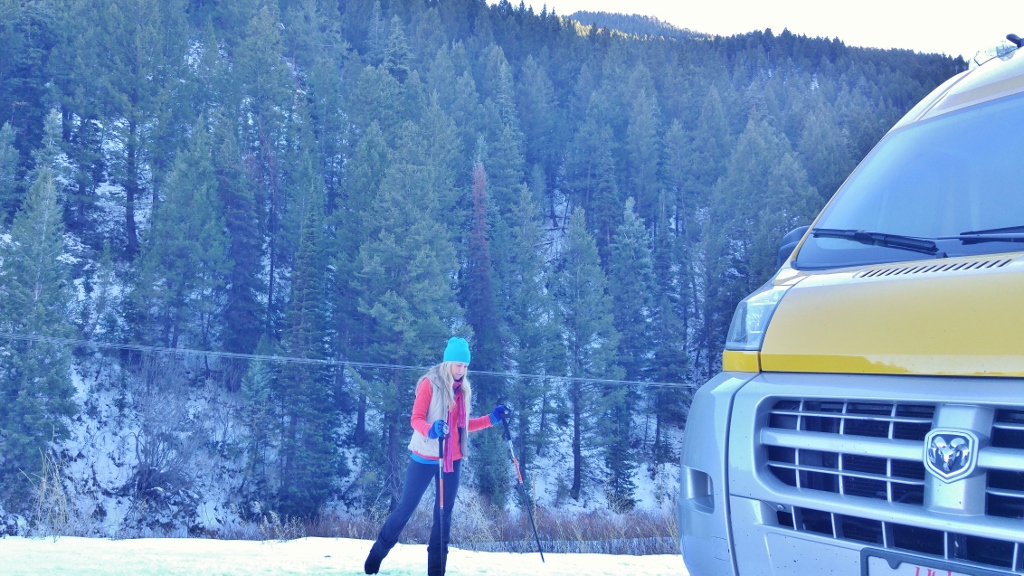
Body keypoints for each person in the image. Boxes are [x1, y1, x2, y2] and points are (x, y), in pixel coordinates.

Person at [364, 337, 509, 576]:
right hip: (424, 456)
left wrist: (491, 419)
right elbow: (416, 419)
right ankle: (378, 552)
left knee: (443, 517)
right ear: (447, 362)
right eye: (458, 365)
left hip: (452, 460)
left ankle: (436, 571)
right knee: (405, 508)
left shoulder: (463, 389)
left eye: (465, 366)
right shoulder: (429, 384)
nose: (462, 370)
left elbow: (462, 426)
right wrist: (431, 430)